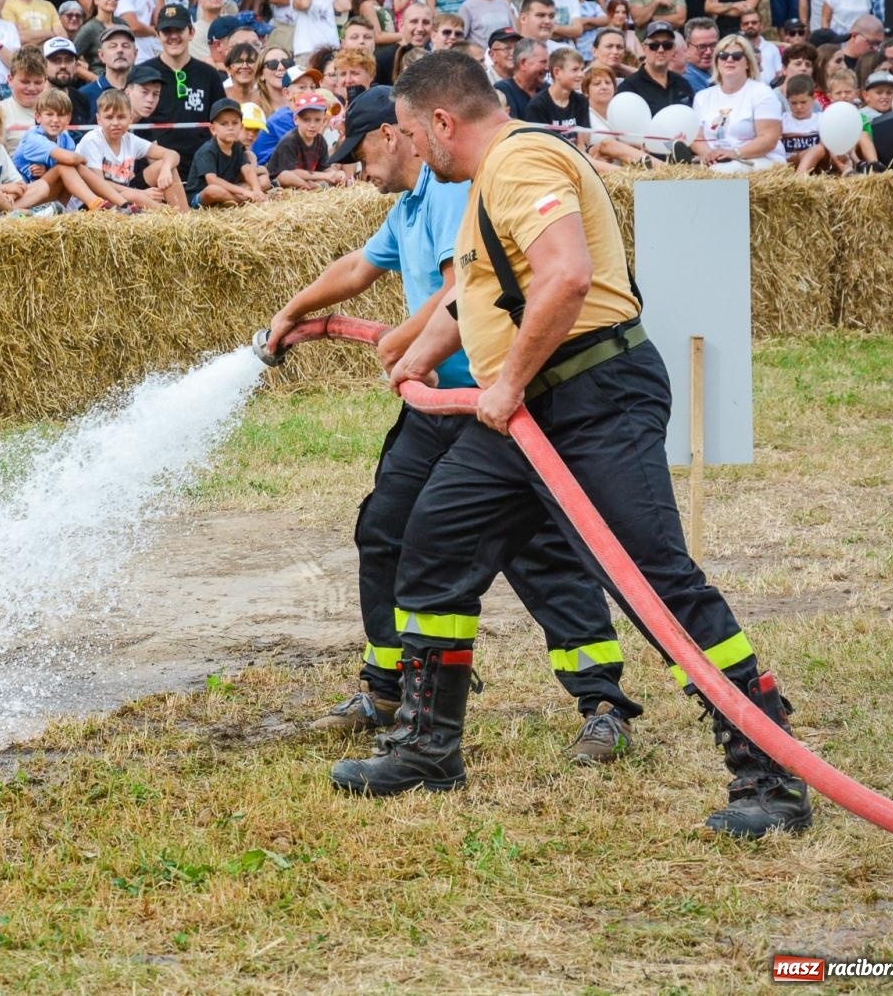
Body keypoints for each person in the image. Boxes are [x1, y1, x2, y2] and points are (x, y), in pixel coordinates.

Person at [340, 50, 811, 841]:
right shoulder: (491, 178)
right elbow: (499, 283)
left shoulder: (521, 163)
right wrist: (425, 346)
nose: (416, 154)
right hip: (527, 414)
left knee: (655, 583)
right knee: (434, 540)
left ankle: (770, 774)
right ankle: (428, 747)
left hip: (589, 399)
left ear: (445, 123)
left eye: (418, 138)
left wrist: (507, 382)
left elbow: (564, 277)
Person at [264, 84, 640, 762]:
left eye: (365, 150)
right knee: (387, 531)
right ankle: (388, 684)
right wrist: (293, 313)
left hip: (489, 401)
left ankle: (602, 700)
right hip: (436, 408)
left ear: (395, 135)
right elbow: (355, 268)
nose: (359, 166)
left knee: (538, 554)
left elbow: (459, 290)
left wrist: (410, 343)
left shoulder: (444, 192)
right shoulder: (410, 205)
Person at [75, 86, 186, 210]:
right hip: (94, 201)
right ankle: (172, 219)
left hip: (123, 193)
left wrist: (165, 169)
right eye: (109, 117)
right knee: (134, 195)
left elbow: (172, 154)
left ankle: (185, 216)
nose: (115, 123)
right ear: (99, 120)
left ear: (130, 119)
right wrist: (141, 193)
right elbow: (99, 185)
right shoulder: (92, 140)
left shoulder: (130, 139)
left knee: (164, 166)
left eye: (121, 117)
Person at [12, 87, 123, 210]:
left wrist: (48, 170)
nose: (55, 120)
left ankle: (124, 204)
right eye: (49, 114)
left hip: (47, 195)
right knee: (65, 167)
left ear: (69, 118)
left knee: (74, 167)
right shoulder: (33, 137)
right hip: (22, 196)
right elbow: (70, 159)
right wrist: (81, 158)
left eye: (61, 115)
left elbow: (71, 163)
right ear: (38, 117)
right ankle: (96, 204)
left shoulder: (66, 139)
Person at [149, 5, 228, 171]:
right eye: (166, 31)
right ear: (157, 35)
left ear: (191, 32)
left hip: (203, 165)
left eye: (179, 30)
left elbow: (221, 120)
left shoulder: (209, 74)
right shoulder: (144, 74)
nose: (173, 37)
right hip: (157, 164)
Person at [690, 35, 784, 171]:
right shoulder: (702, 97)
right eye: (723, 55)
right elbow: (696, 137)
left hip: (758, 159)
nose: (729, 59)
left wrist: (734, 153)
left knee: (723, 171)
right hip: (717, 162)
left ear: (748, 63)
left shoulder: (762, 92)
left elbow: (769, 139)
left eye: (737, 55)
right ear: (716, 62)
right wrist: (708, 155)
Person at [186, 98, 269, 208]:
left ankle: (236, 200)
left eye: (235, 123)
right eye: (224, 124)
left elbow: (247, 170)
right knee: (213, 190)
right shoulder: (207, 150)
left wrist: (257, 190)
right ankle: (243, 200)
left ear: (241, 126)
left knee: (263, 181)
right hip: (201, 195)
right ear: (213, 129)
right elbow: (212, 180)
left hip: (228, 189)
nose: (230, 128)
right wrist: (245, 192)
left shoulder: (237, 147)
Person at [267, 91, 346, 188]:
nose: (312, 125)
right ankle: (310, 187)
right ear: (296, 119)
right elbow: (292, 172)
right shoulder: (290, 141)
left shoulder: (320, 141)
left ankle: (313, 186)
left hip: (307, 178)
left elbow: (325, 168)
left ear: (324, 120)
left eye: (317, 120)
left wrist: (335, 174)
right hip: (280, 180)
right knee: (286, 176)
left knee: (335, 170)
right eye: (306, 120)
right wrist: (326, 176)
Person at [618, 19, 696, 111]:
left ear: (673, 49)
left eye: (667, 45)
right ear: (644, 48)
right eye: (654, 45)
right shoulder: (629, 87)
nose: (660, 50)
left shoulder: (683, 84)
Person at [523, 46, 592, 139]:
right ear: (557, 72)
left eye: (582, 69)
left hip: (577, 152)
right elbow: (539, 144)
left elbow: (583, 141)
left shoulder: (581, 101)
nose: (581, 75)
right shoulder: (537, 106)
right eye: (575, 70)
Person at [1, 47, 47, 151]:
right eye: (25, 82)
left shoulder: (55, 112)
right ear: (10, 80)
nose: (32, 88)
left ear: (46, 81)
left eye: (38, 82)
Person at [79, 25, 137, 104]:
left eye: (125, 46)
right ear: (101, 55)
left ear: (135, 54)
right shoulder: (84, 95)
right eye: (113, 46)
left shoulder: (145, 93)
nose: (120, 50)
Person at [75, 0, 123, 74]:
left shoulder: (122, 24)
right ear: (96, 0)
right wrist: (94, 79)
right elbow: (71, 60)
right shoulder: (89, 28)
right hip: (101, 79)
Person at [496, 37, 548, 117]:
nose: (547, 68)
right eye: (543, 62)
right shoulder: (502, 91)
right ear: (523, 63)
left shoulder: (548, 90)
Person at [739, 8, 784, 84]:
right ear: (741, 27)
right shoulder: (738, 48)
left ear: (761, 25)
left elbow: (779, 71)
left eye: (754, 23)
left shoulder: (772, 48)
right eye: (746, 23)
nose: (750, 25)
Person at [683, 16, 719, 91]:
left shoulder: (724, 71)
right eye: (702, 46)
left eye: (713, 45)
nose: (708, 51)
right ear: (687, 46)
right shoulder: (687, 80)